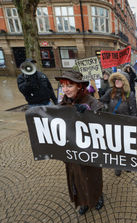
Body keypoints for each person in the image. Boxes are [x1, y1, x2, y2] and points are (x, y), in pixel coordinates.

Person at [55, 70, 104, 215]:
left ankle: (96, 198)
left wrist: (88, 113)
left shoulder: (91, 101)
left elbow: (102, 120)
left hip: (89, 151)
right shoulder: (63, 103)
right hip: (72, 150)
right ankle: (83, 201)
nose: (65, 89)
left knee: (92, 177)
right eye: (63, 86)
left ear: (79, 86)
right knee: (77, 178)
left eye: (69, 85)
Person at [100, 72, 137, 176]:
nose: (117, 81)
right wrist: (105, 104)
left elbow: (134, 112)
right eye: (115, 79)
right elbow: (101, 101)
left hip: (126, 125)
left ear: (124, 82)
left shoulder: (130, 94)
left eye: (119, 79)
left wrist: (134, 126)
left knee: (126, 146)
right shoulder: (110, 91)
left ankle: (127, 164)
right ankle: (118, 165)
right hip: (113, 124)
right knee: (116, 146)